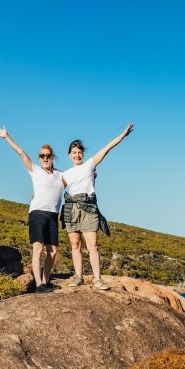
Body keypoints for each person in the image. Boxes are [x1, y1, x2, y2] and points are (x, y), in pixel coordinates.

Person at [61, 123, 134, 290]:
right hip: (72, 209)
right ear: (69, 155)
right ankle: (78, 277)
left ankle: (97, 279)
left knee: (92, 245)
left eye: (80, 152)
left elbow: (107, 148)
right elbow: (52, 186)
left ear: (83, 154)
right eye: (74, 153)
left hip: (88, 207)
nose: (77, 155)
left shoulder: (89, 165)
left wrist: (122, 136)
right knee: (75, 245)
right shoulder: (65, 174)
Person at [0, 126, 63, 292]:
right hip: (37, 213)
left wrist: (92, 175)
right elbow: (22, 153)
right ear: (39, 158)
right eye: (42, 156)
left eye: (48, 155)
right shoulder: (35, 170)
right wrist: (6, 136)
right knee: (38, 248)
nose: (45, 158)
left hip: (53, 215)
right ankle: (39, 284)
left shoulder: (61, 175)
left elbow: (75, 180)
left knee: (52, 252)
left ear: (53, 157)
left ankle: (45, 280)